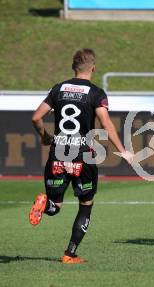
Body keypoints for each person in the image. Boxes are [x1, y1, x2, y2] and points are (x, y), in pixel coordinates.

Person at [29, 48, 134, 264]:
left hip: (57, 153)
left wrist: (44, 136)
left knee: (55, 206)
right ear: (93, 68)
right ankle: (70, 254)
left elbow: (36, 117)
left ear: (73, 67)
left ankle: (44, 204)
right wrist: (122, 150)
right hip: (82, 156)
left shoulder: (58, 89)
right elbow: (105, 124)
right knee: (86, 204)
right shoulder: (96, 93)